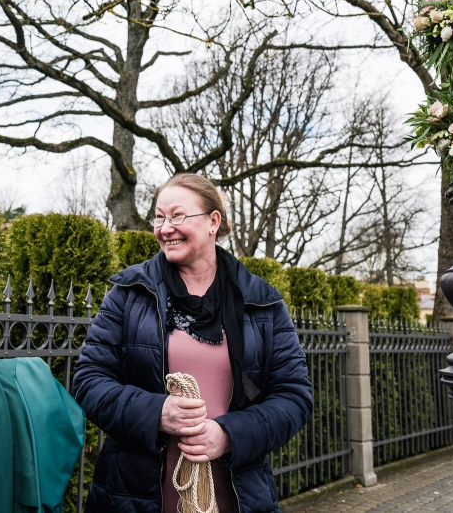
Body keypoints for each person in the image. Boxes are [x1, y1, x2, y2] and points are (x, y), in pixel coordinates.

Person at [73, 173, 312, 513]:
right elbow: (88, 381)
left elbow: (294, 397)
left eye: (178, 215)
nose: (165, 227)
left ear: (213, 221)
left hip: (235, 496)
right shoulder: (128, 293)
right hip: (132, 495)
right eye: (159, 217)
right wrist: (156, 412)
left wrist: (229, 435)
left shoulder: (262, 302)